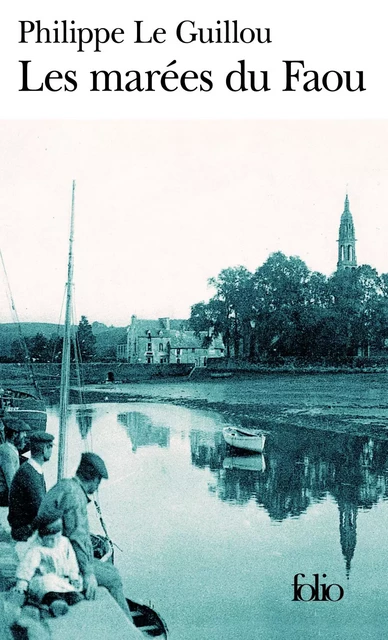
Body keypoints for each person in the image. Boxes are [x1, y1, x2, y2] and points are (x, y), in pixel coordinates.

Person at [37, 452, 130, 618]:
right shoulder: (75, 496)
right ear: (94, 479)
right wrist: (88, 574)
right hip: (55, 562)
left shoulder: (65, 485)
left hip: (47, 553)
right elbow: (77, 538)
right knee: (113, 577)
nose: (97, 486)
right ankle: (130, 631)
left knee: (108, 569)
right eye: (98, 481)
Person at [13, 507, 83, 618]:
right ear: (41, 537)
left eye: (57, 537)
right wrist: (22, 583)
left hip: (61, 578)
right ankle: (52, 604)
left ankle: (66, 597)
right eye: (50, 539)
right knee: (47, 585)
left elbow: (71, 561)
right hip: (43, 580)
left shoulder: (64, 543)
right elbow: (27, 566)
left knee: (71, 586)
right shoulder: (37, 549)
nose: (55, 542)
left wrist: (73, 576)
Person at [8, 432, 55, 541]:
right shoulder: (29, 474)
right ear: (44, 449)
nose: (51, 451)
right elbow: (40, 509)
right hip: (24, 531)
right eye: (50, 447)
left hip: (26, 527)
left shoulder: (31, 469)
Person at [0, 418, 31, 507]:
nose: (25, 436)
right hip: (3, 496)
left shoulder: (10, 450)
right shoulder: (6, 452)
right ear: (14, 434)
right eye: (23, 433)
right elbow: (12, 482)